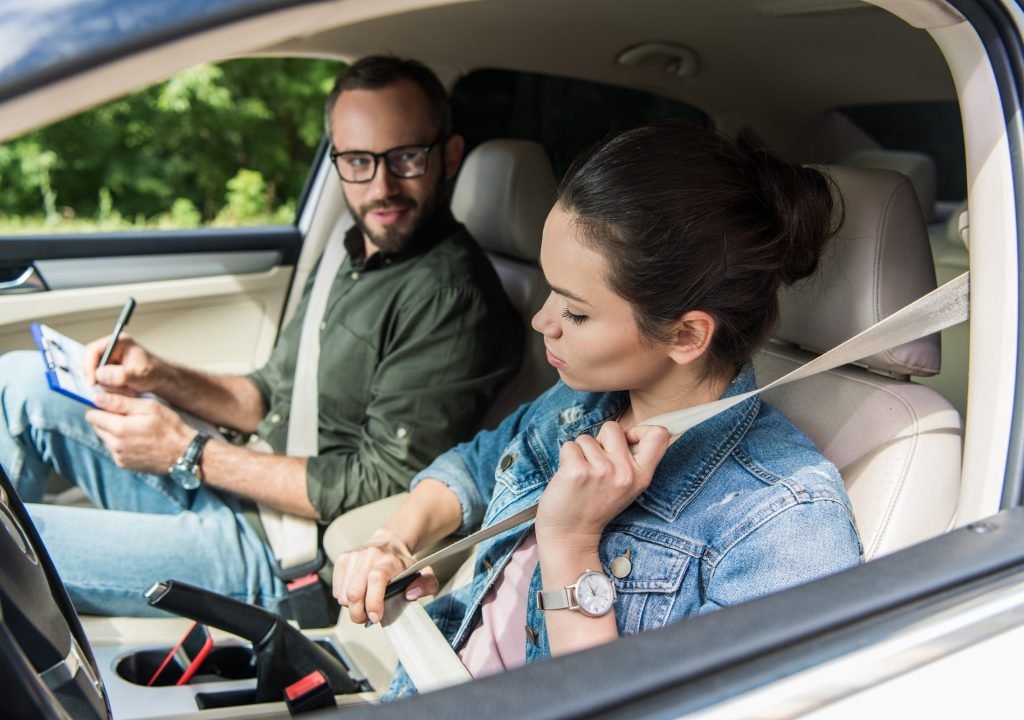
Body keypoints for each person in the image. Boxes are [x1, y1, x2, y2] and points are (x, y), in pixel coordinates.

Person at [331, 122, 863, 698]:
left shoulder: (783, 522)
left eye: (576, 313)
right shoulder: (578, 403)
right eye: (551, 291)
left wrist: (571, 545)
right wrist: (394, 541)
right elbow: (474, 466)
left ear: (685, 335)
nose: (542, 320)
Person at [0, 56, 523, 617]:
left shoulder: (452, 296)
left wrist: (189, 452)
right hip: (246, 484)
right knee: (19, 376)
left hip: (283, 556)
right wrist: (159, 375)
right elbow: (270, 393)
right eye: (358, 161)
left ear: (449, 156)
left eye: (406, 158)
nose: (382, 186)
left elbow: (382, 482)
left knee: (7, 546)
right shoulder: (351, 250)